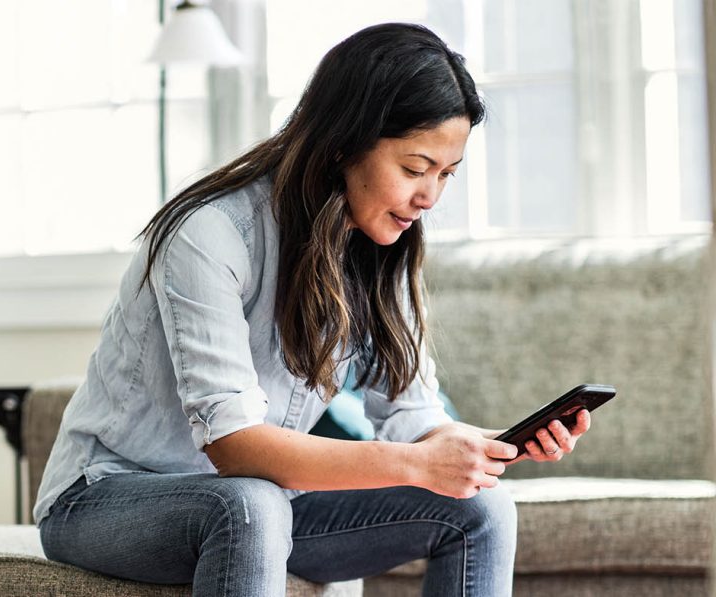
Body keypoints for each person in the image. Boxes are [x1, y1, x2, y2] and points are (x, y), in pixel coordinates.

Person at [32, 22, 592, 597]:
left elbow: (412, 417)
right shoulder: (212, 233)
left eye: (446, 175)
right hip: (104, 498)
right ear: (343, 144)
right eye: (415, 168)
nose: (430, 197)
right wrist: (415, 465)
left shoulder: (381, 251)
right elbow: (235, 447)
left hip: (267, 503)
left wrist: (487, 447)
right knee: (249, 505)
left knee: (482, 509)